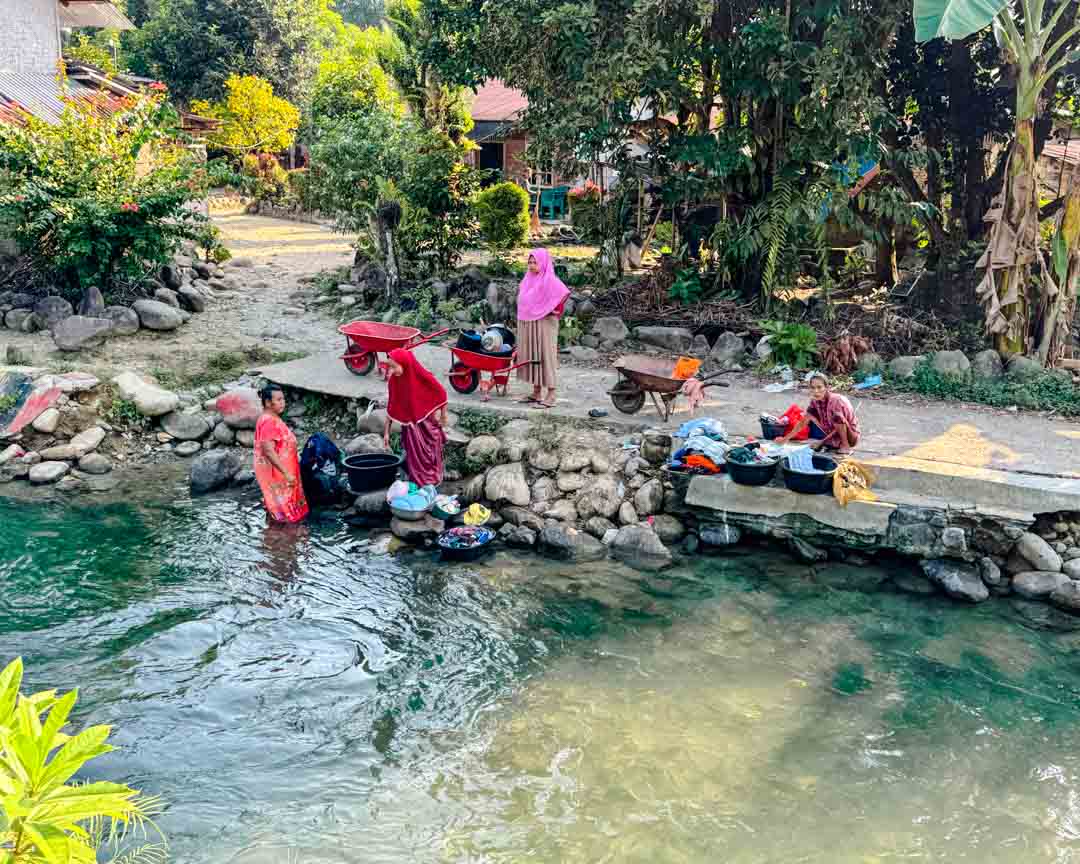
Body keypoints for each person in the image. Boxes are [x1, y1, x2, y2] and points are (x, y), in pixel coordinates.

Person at [383, 348, 449, 486]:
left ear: (405, 364)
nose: (391, 371)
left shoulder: (422, 377)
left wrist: (443, 416)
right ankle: (419, 483)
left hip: (427, 426)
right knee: (414, 459)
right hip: (411, 429)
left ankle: (433, 481)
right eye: (390, 367)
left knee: (430, 456)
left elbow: (441, 394)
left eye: (394, 367)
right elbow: (391, 407)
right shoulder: (394, 382)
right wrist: (386, 434)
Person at [516, 248, 569, 409]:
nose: (532, 266)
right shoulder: (527, 280)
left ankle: (551, 394)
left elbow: (562, 294)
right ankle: (536, 392)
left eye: (535, 262)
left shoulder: (550, 280)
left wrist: (554, 309)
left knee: (545, 356)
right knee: (533, 355)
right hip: (529, 323)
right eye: (530, 262)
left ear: (544, 263)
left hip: (545, 324)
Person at [254, 384, 310, 523]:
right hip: (279, 474)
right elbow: (268, 450)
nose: (282, 402)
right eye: (278, 400)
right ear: (268, 402)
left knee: (281, 510)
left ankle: (280, 536)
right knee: (285, 514)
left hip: (281, 471)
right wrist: (286, 473)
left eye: (283, 399)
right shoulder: (268, 421)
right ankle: (283, 540)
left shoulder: (270, 418)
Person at [778, 372, 860, 453]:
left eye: (819, 387)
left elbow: (838, 426)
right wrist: (785, 439)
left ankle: (845, 446)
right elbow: (803, 422)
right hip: (833, 436)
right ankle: (834, 443)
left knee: (837, 416)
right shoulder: (815, 401)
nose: (816, 391)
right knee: (810, 417)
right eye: (813, 388)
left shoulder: (836, 401)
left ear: (827, 387)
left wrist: (822, 441)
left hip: (851, 437)